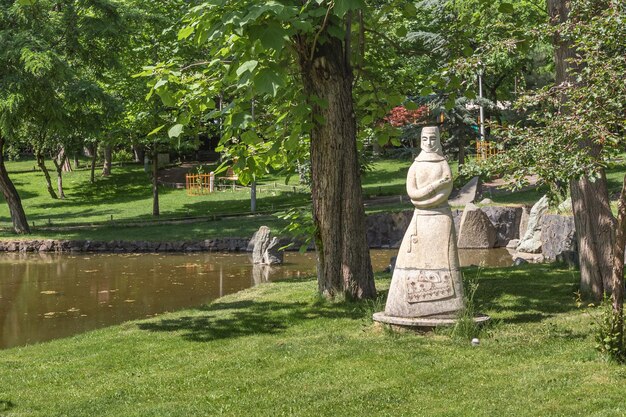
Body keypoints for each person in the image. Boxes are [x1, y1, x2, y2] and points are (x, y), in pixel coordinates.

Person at [383, 126, 464, 318]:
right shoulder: (416, 165)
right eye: (425, 139)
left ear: (438, 140)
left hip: (440, 217)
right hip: (421, 218)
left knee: (445, 257)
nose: (429, 143)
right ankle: (408, 305)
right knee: (408, 257)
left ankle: (449, 304)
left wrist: (424, 199)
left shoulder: (442, 163)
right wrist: (435, 186)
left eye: (433, 139)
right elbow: (413, 193)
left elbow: (445, 192)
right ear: (421, 140)